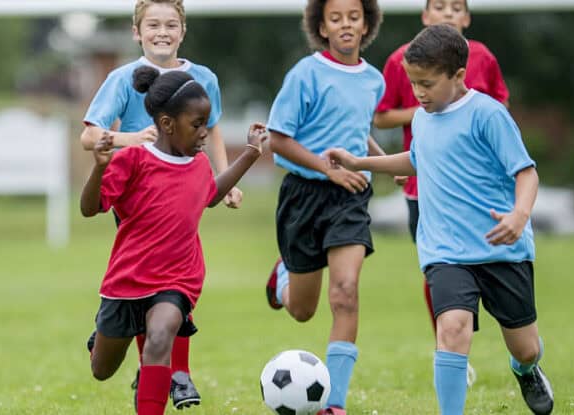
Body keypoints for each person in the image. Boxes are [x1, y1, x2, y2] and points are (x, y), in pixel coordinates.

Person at [324, 24, 554, 415]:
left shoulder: (488, 115)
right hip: (445, 250)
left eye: (427, 84)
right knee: (451, 329)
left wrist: (519, 214)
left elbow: (526, 172)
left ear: (458, 75)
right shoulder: (423, 118)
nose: (418, 94)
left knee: (525, 346)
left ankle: (526, 370)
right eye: (414, 83)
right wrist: (360, 161)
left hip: (500, 249)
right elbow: (417, 159)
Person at [80, 0, 241, 408]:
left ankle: (176, 371)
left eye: (171, 24)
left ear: (183, 31)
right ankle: (129, 342)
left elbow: (214, 129)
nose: (162, 32)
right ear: (137, 32)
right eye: (152, 24)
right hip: (134, 187)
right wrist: (127, 140)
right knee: (148, 272)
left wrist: (228, 177)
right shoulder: (122, 79)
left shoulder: (203, 78)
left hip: (185, 181)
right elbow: (90, 135)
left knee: (175, 267)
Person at [373, 0, 510, 387]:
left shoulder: (483, 58)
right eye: (439, 6)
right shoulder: (403, 60)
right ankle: (451, 349)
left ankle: (515, 343)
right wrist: (431, 103)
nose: (448, 13)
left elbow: (499, 108)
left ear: (466, 17)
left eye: (456, 7)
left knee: (487, 268)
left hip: (479, 191)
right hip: (425, 187)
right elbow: (381, 115)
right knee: (440, 269)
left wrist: (461, 106)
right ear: (425, 16)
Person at [264, 1, 384, 414]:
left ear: (367, 22)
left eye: (354, 16)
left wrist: (383, 163)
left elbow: (356, 129)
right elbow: (278, 139)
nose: (346, 24)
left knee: (346, 293)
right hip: (303, 196)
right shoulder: (305, 74)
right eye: (336, 18)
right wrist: (326, 169)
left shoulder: (374, 80)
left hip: (350, 197)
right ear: (322, 26)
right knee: (302, 310)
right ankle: (281, 279)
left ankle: (334, 404)